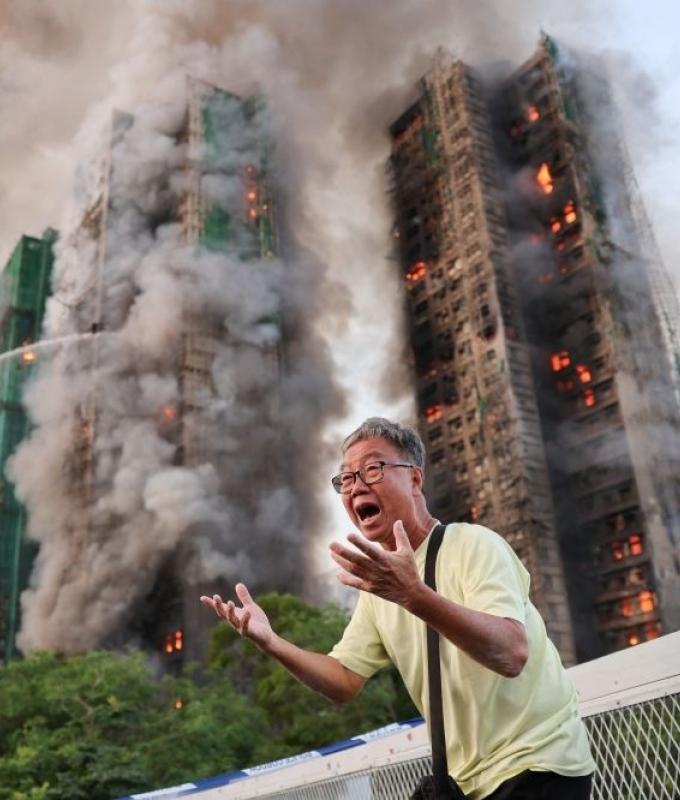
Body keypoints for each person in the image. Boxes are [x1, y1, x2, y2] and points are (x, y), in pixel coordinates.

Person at [201, 417, 595, 799]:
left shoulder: (473, 544)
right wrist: (272, 642)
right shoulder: (379, 589)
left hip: (537, 765)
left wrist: (413, 595)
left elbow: (511, 653)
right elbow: (344, 679)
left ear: (415, 479)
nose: (357, 486)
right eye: (347, 479)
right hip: (467, 783)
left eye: (373, 469)